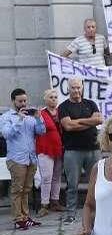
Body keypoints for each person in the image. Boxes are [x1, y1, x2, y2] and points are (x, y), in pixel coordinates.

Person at [59, 78, 103, 224]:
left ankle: (99, 212)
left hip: (93, 149)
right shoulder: (63, 106)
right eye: (73, 88)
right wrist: (88, 121)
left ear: (82, 87)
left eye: (78, 87)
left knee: (97, 183)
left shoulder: (90, 103)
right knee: (72, 184)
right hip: (73, 151)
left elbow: (99, 120)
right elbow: (68, 126)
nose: (76, 90)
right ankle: (71, 214)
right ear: (68, 89)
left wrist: (77, 121)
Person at [1, 89, 46, 229]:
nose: (23, 103)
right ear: (13, 101)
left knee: (26, 189)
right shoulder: (6, 117)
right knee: (17, 189)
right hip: (16, 159)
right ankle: (17, 219)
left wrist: (39, 117)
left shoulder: (31, 116)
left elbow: (41, 132)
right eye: (20, 101)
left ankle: (25, 217)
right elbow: (7, 134)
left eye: (25, 100)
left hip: (31, 158)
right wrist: (19, 119)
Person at [36, 89, 64, 217]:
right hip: (45, 148)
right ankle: (44, 204)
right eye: (51, 97)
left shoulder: (61, 112)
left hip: (59, 148)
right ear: (45, 99)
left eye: (55, 97)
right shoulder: (40, 113)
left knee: (57, 176)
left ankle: (55, 201)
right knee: (46, 177)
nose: (53, 99)